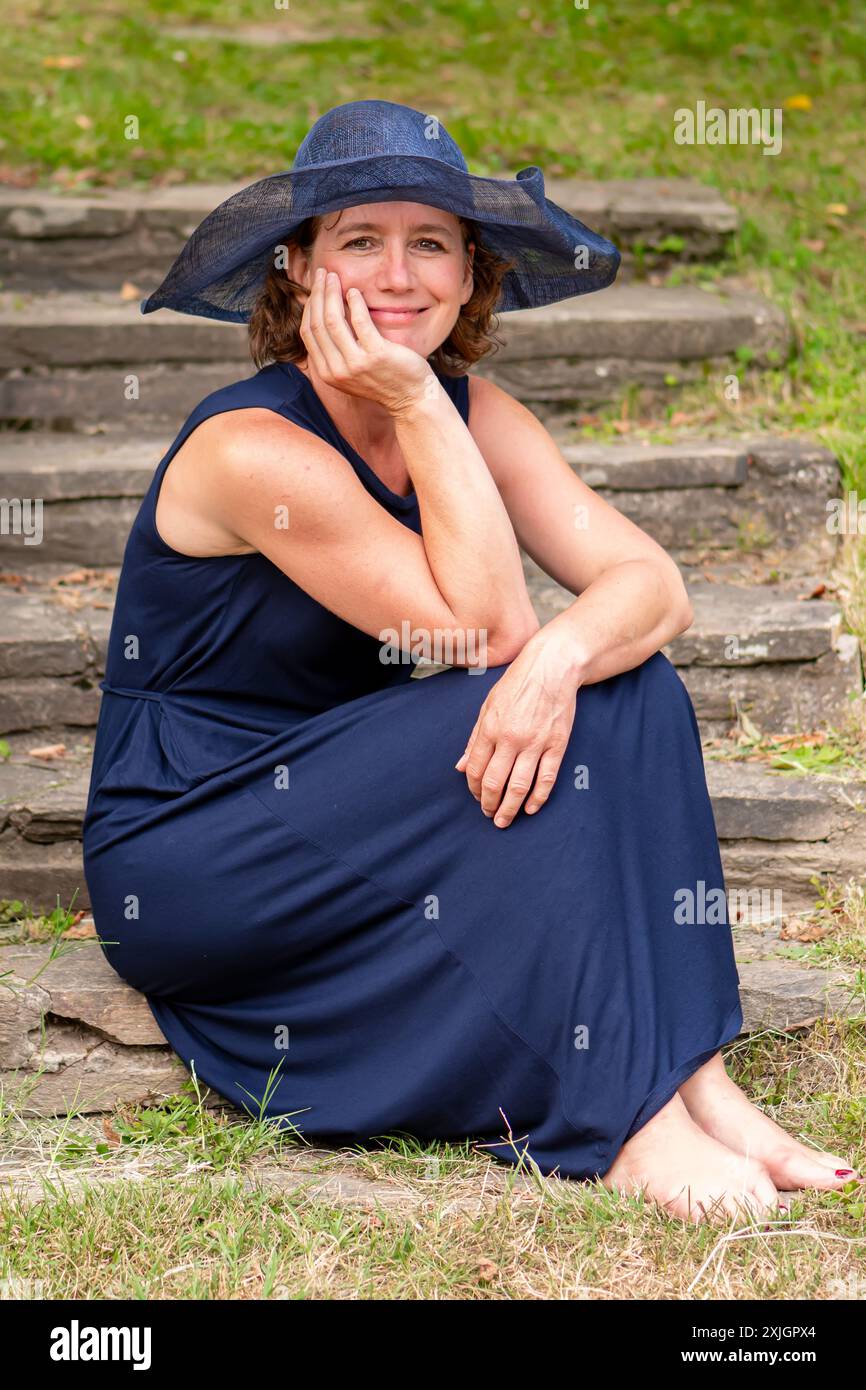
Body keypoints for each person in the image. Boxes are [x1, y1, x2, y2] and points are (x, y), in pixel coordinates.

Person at [83, 99, 859, 1226]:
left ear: (467, 271)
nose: (397, 274)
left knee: (626, 684)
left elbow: (654, 588)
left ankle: (700, 1078)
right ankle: (629, 1125)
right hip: (199, 843)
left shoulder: (468, 410)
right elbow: (481, 635)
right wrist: (411, 402)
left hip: (357, 803)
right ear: (299, 269)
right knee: (529, 681)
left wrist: (559, 652)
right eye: (359, 241)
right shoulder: (250, 449)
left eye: (429, 242)